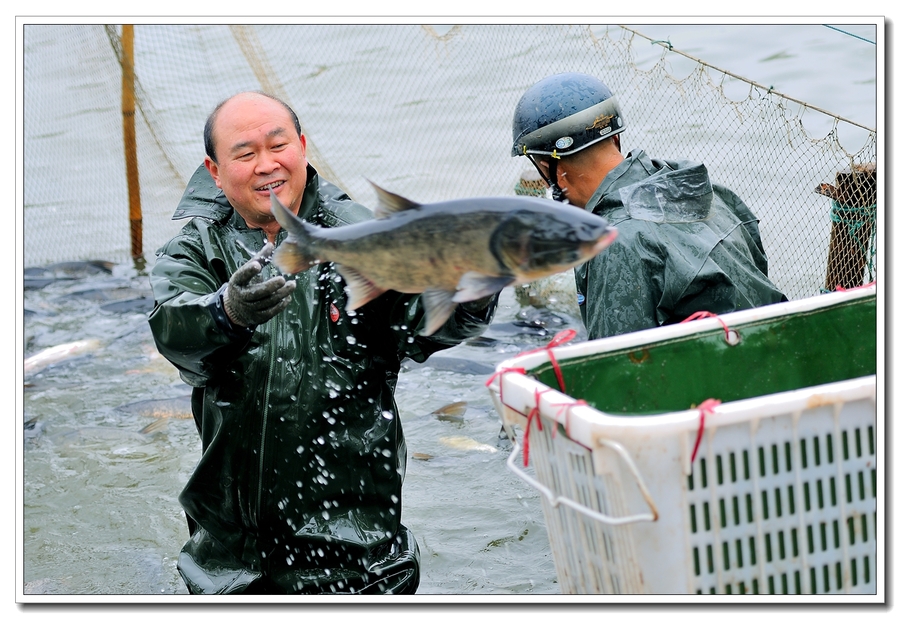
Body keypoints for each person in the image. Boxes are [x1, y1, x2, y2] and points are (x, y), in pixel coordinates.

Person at [148, 91, 498, 594]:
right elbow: (173, 331)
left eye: (278, 145)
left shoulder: (359, 235)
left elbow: (427, 323)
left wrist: (475, 284)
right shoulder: (195, 249)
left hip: (362, 559)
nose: (267, 165)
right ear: (215, 169)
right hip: (234, 562)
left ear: (303, 146)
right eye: (245, 154)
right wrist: (227, 311)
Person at [510, 72, 787, 339]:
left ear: (548, 165)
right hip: (780, 344)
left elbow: (618, 369)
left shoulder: (614, 242)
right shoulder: (705, 189)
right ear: (615, 137)